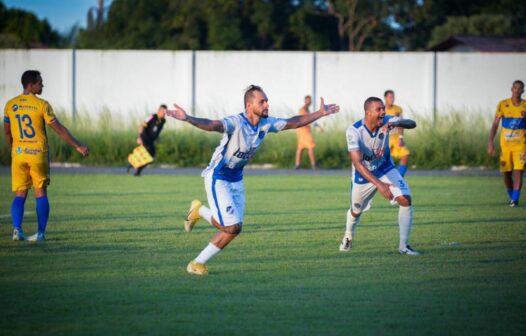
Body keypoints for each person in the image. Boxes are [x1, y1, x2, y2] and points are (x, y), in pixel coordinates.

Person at [167, 85, 339, 275]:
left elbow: (293, 122)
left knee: (235, 228)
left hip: (236, 178)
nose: (267, 104)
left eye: (266, 100)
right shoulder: (236, 122)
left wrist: (320, 113)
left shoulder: (266, 123)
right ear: (249, 106)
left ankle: (199, 214)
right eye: (262, 101)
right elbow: (213, 125)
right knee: (231, 227)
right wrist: (188, 118)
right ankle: (196, 262)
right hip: (218, 177)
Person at [3, 70, 89, 241]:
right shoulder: (42, 104)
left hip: (18, 154)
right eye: (40, 82)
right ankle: (40, 233)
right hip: (37, 154)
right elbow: (59, 129)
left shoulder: (10, 105)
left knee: (20, 193)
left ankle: (16, 230)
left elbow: (7, 131)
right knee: (40, 192)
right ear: (31, 84)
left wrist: (14, 149)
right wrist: (78, 146)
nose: (42, 85)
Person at [340, 96, 419, 255]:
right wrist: (380, 185)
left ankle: (404, 247)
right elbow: (358, 164)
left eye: (383, 108)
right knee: (356, 211)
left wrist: (396, 122)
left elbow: (412, 123)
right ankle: (348, 235)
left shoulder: (387, 120)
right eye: (379, 109)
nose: (383, 112)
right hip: (364, 175)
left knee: (405, 199)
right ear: (368, 112)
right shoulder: (354, 131)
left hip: (385, 168)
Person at [487, 80, 526, 207]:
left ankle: (514, 200)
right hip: (506, 146)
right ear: (511, 89)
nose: (517, 90)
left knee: (519, 171)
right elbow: (495, 124)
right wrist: (490, 142)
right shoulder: (503, 104)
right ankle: (512, 197)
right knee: (507, 173)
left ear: (523, 91)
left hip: (521, 145)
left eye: (520, 88)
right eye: (515, 88)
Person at [127, 104, 167, 176]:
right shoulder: (152, 117)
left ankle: (134, 166)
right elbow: (142, 125)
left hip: (151, 141)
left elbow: (157, 131)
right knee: (146, 155)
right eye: (163, 112)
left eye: (165, 112)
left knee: (151, 158)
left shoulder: (163, 121)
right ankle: (136, 169)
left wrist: (157, 138)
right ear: (159, 111)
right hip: (144, 138)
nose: (164, 114)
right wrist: (139, 137)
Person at [384, 90, 410, 177]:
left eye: (393, 97)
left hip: (396, 138)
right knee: (388, 161)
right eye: (390, 97)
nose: (392, 99)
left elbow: (401, 123)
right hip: (385, 138)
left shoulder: (398, 109)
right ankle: (390, 179)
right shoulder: (381, 109)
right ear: (385, 98)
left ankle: (400, 178)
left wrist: (401, 137)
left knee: (405, 155)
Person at [295, 95, 324, 169]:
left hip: (304, 130)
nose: (309, 102)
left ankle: (297, 164)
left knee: (300, 147)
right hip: (303, 130)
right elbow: (308, 119)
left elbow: (310, 119)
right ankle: (313, 164)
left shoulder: (307, 109)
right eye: (308, 100)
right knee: (310, 146)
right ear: (305, 101)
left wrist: (318, 126)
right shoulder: (303, 110)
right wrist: (318, 126)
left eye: (310, 100)